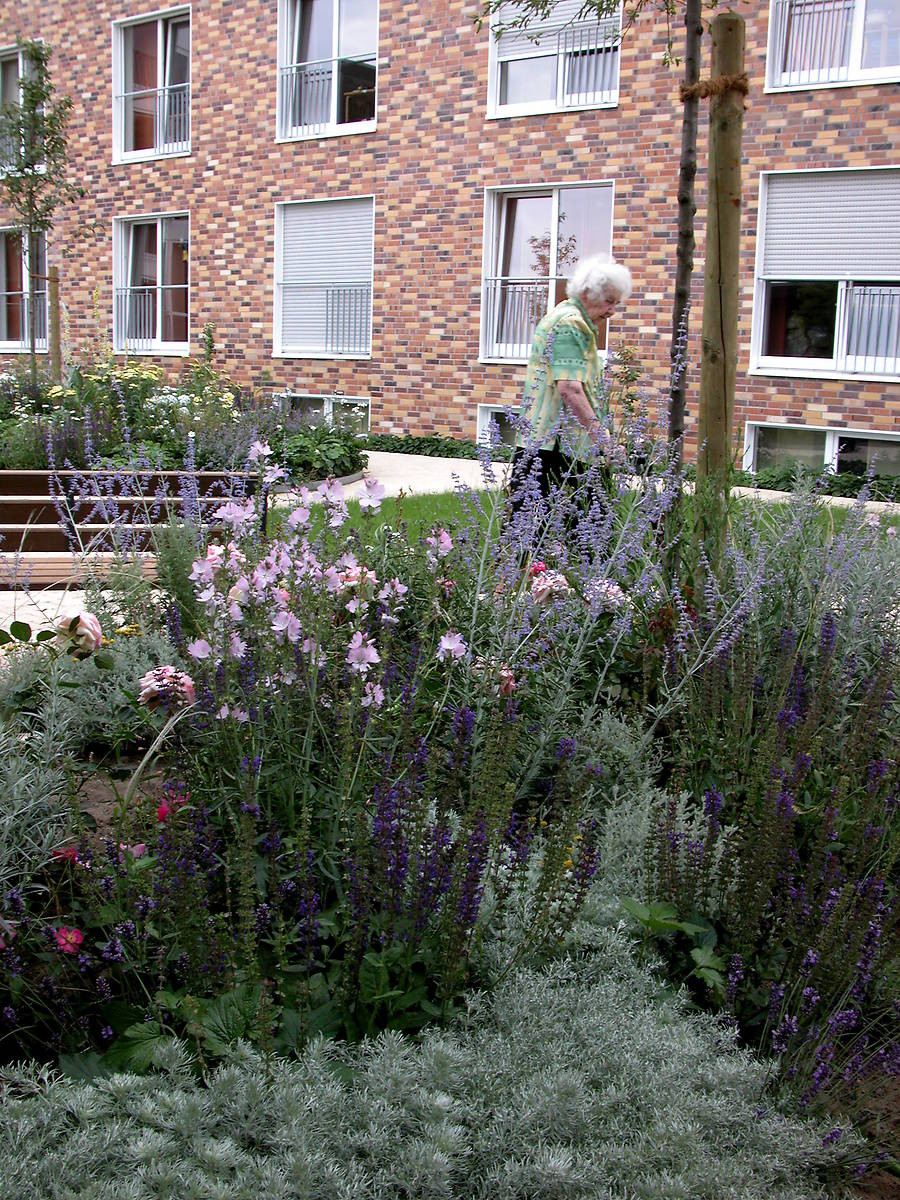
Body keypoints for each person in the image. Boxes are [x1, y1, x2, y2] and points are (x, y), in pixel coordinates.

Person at [508, 253, 633, 515]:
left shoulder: (569, 317)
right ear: (587, 293)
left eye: (616, 303)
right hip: (556, 447)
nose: (612, 310)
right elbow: (570, 389)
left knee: (527, 537)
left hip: (550, 442)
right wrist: (604, 442)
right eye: (609, 301)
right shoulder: (571, 324)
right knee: (587, 537)